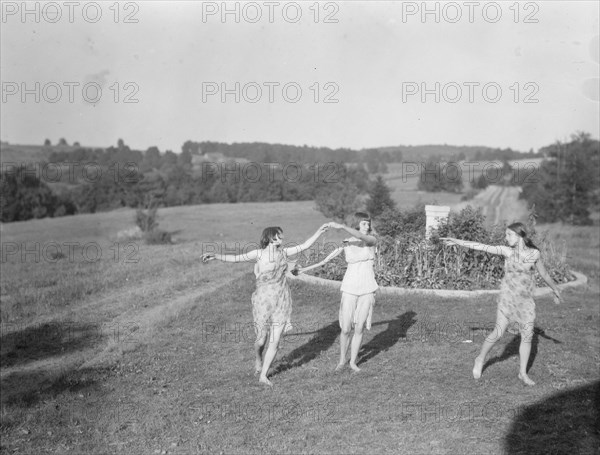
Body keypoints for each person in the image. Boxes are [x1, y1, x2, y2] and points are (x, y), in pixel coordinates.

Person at [202, 223, 330, 386]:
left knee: (275, 341)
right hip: (263, 300)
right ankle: (258, 358)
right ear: (269, 237)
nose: (280, 239)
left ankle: (263, 375)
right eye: (277, 236)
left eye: (281, 236)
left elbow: (305, 245)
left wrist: (318, 231)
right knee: (261, 340)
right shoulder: (258, 254)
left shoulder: (284, 253)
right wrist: (215, 255)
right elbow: (236, 258)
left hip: (281, 299)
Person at [440, 222, 562, 386]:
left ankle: (522, 373)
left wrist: (555, 289)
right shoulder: (507, 251)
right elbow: (481, 246)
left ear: (520, 235)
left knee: (527, 337)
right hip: (508, 300)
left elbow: (545, 274)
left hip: (525, 301)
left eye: (509, 235)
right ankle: (480, 358)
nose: (506, 238)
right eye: (506, 235)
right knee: (498, 333)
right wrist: (457, 241)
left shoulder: (535, 254)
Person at [296, 212, 378, 372]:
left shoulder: (372, 241)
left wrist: (341, 226)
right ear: (356, 224)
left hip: (368, 287)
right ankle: (342, 361)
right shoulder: (346, 243)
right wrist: (304, 270)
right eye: (363, 223)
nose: (366, 226)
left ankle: (353, 362)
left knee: (359, 328)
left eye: (368, 223)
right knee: (346, 329)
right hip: (349, 287)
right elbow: (326, 259)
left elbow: (365, 238)